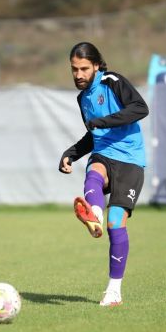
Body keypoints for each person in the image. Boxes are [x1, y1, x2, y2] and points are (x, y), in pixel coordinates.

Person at [58, 42, 148, 307]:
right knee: (94, 172)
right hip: (103, 153)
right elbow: (93, 134)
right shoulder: (82, 98)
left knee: (116, 223)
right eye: (74, 69)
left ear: (96, 66)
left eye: (84, 69)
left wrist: (103, 121)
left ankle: (114, 290)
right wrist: (71, 153)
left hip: (130, 160)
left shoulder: (113, 82)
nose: (78, 75)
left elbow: (140, 108)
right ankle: (95, 212)